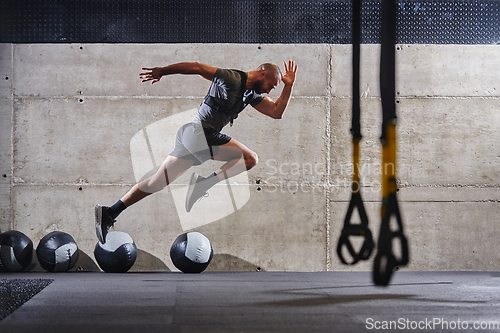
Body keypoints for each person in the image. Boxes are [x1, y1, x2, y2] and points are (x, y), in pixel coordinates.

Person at [95, 60, 298, 243]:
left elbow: (276, 112)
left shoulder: (250, 94)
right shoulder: (232, 78)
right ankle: (202, 185)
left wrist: (288, 86)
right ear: (263, 74)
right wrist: (162, 71)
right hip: (200, 134)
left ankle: (111, 212)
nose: (271, 91)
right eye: (272, 85)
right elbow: (197, 67)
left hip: (192, 136)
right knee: (250, 158)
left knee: (156, 182)